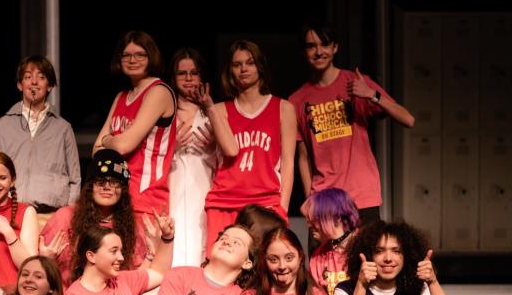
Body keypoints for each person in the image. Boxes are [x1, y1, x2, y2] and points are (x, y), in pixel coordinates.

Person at [291, 23, 416, 224]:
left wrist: (371, 95)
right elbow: (303, 157)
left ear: (335, 48)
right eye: (311, 46)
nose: (319, 52)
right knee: (323, 257)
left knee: (366, 256)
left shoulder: (356, 83)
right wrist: (310, 199)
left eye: (324, 45)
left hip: (362, 195)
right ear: (304, 51)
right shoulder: (296, 100)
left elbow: (408, 119)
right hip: (324, 199)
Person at [203, 40, 297, 253]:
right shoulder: (219, 110)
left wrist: (282, 207)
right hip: (224, 202)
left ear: (260, 66)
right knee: (219, 268)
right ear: (230, 71)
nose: (243, 69)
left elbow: (288, 162)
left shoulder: (283, 108)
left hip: (264, 203)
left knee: (262, 270)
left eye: (250, 63)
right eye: (237, 65)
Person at [94, 30, 177, 255]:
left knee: (140, 273)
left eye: (140, 54)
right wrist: (112, 142)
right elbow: (96, 151)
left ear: (151, 57)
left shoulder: (158, 91)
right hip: (118, 197)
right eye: (126, 55)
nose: (132, 60)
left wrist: (109, 139)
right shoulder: (121, 96)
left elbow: (122, 146)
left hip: (146, 198)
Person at [165, 48, 237, 267]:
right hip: (172, 193)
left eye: (194, 73)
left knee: (201, 251)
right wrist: (171, 146)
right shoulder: (165, 113)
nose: (188, 79)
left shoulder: (214, 113)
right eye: (181, 73)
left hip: (204, 193)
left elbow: (231, 152)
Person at [0, 56, 81, 214]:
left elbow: (75, 179)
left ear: (50, 86)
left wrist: (67, 215)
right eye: (28, 77)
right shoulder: (2, 126)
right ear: (19, 85)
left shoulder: (63, 128)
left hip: (51, 215)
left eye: (41, 77)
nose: (34, 82)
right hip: (11, 213)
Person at [40, 149, 140, 282]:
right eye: (100, 181)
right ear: (90, 187)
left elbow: (137, 275)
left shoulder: (131, 226)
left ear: (123, 190)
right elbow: (41, 265)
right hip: (67, 294)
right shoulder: (65, 217)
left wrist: (162, 243)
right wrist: (46, 260)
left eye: (114, 182)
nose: (107, 187)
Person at [0, 152, 39, 289]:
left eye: (2, 178)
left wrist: (8, 231)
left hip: (14, 292)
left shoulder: (26, 212)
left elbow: (30, 266)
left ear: (12, 181)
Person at [303, 186, 362, 295]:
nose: (309, 224)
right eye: (308, 219)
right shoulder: (317, 257)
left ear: (337, 218)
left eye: (315, 218)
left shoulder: (364, 247)